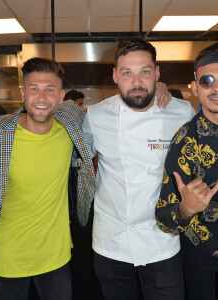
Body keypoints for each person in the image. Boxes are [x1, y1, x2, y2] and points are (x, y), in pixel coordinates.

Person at [82, 38, 196, 300]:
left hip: (162, 240)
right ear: (114, 76)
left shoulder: (182, 112)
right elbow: (80, 157)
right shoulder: (96, 116)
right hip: (110, 240)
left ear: (157, 73)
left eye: (145, 71)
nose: (136, 82)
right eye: (126, 73)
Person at [0, 56, 96, 300]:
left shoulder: (70, 123)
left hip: (56, 255)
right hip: (7, 255)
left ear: (61, 96)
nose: (42, 98)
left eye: (49, 90)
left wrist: (158, 90)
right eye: (34, 89)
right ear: (22, 93)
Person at [155, 42, 218, 300]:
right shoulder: (185, 143)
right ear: (194, 87)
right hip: (204, 264)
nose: (217, 86)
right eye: (207, 80)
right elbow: (164, 219)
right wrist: (185, 209)